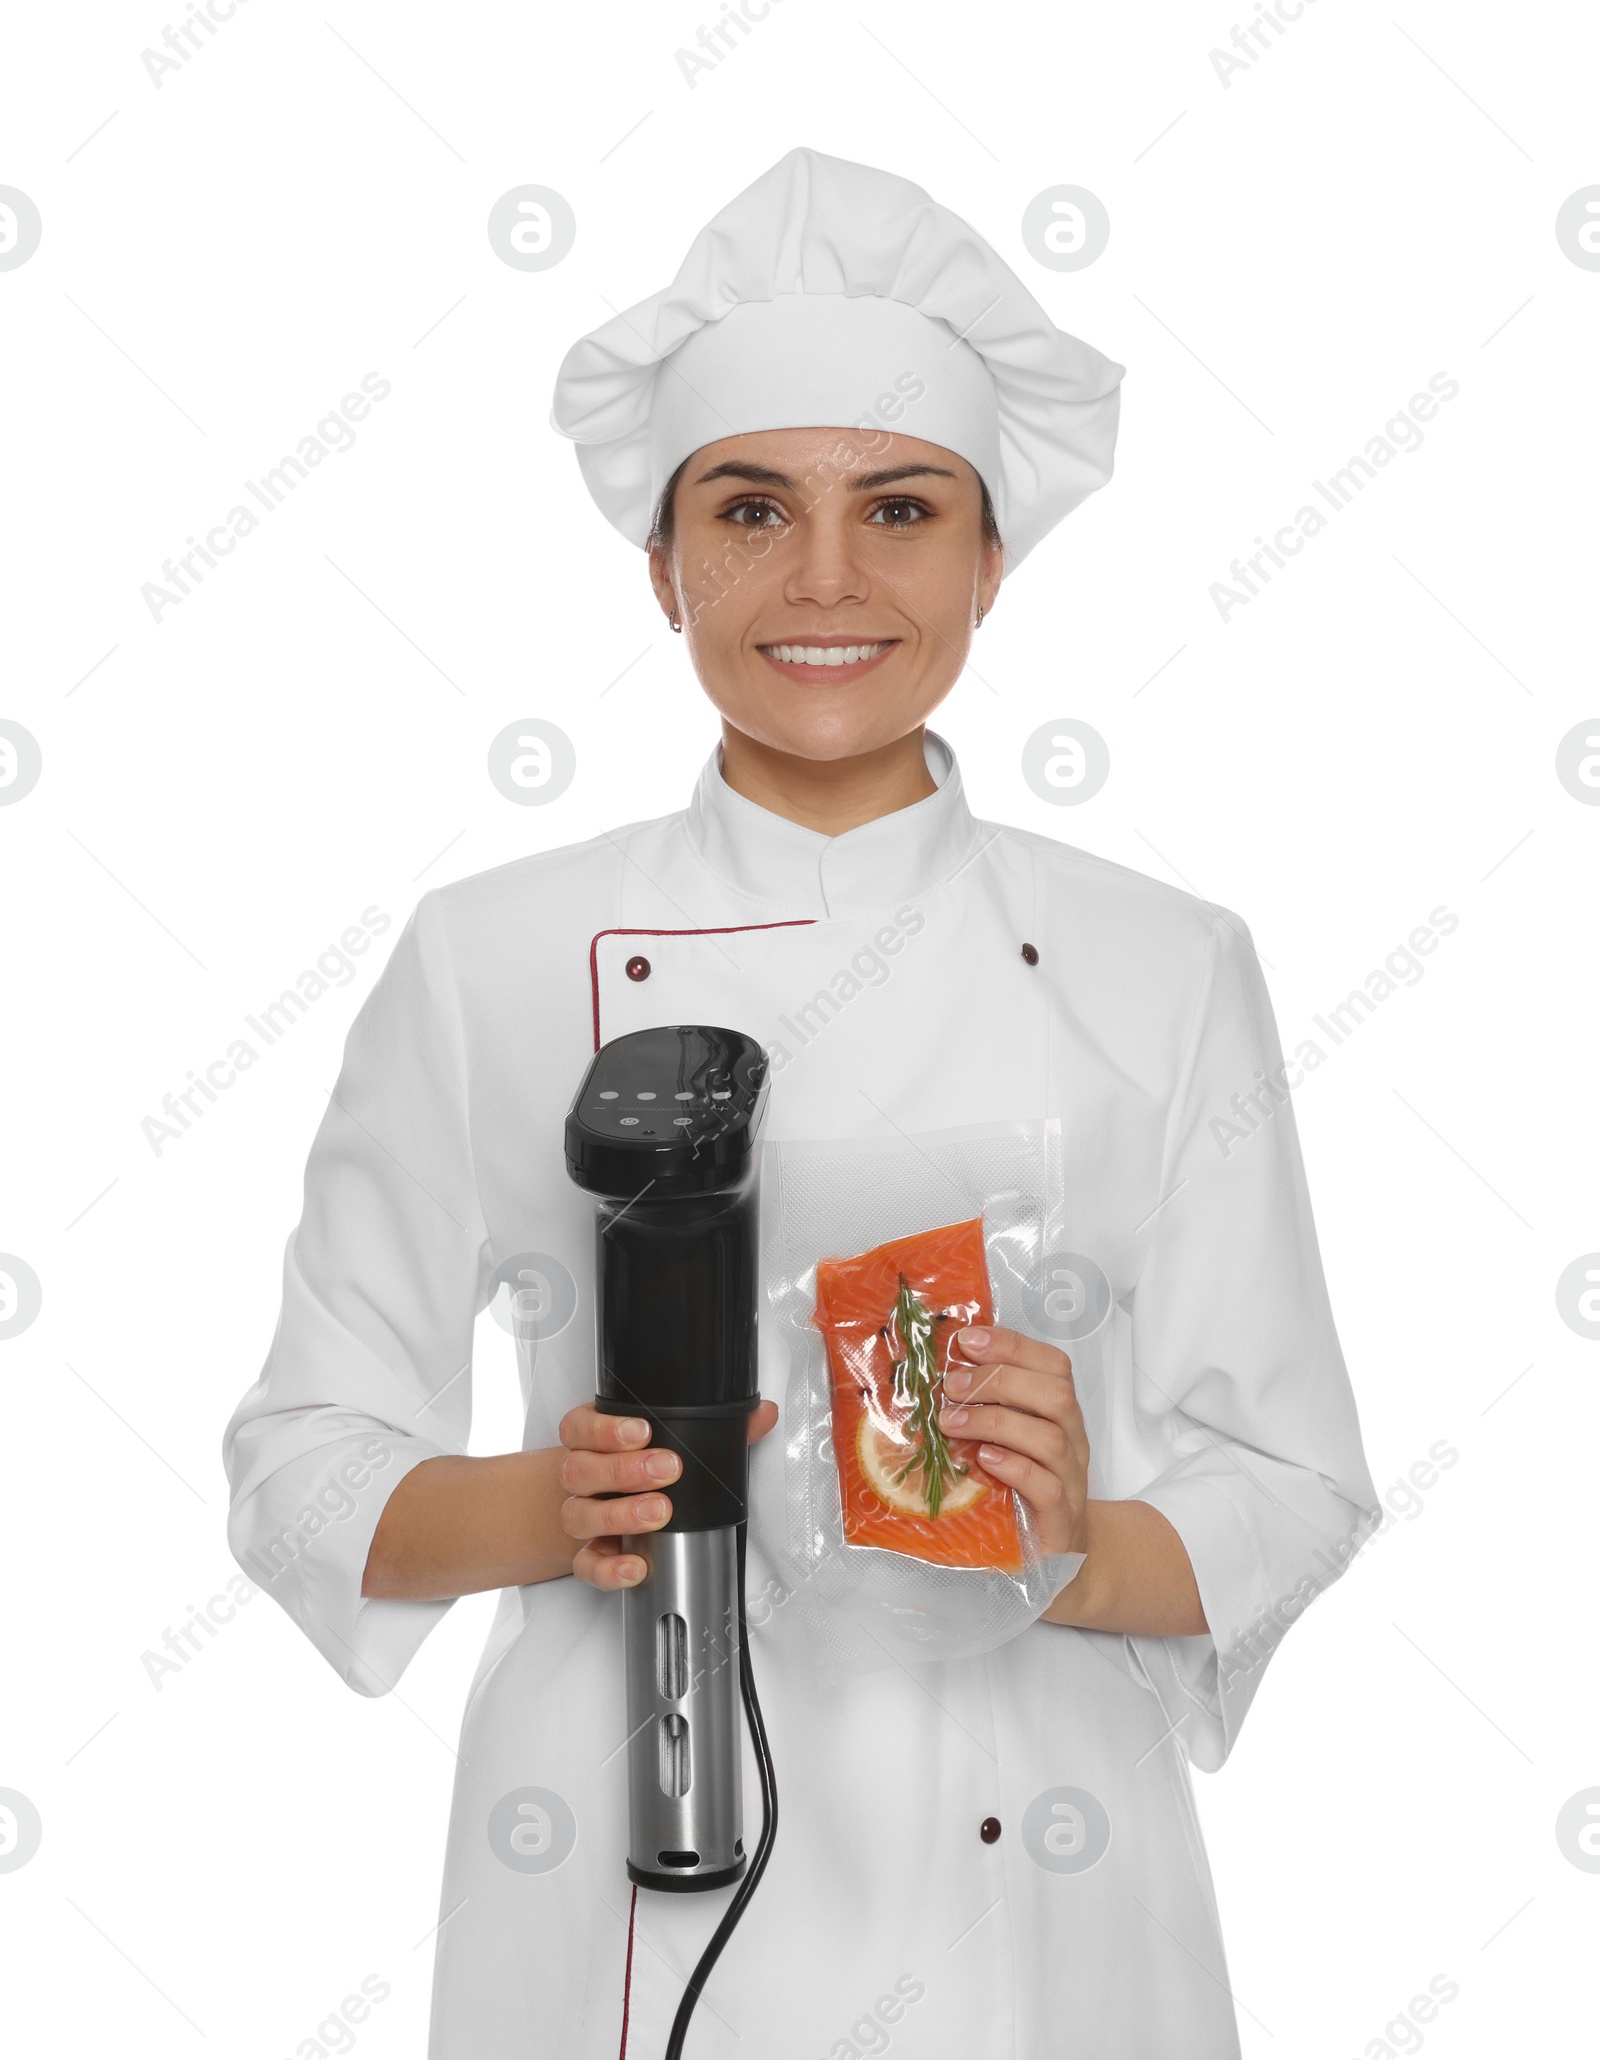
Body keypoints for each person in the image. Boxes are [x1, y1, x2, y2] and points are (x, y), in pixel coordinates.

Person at [224, 147, 1380, 2058]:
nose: (826, 582)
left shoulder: (1163, 963)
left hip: (1045, 1892)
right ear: (661, 562)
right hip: (625, 1873)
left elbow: (1297, 1480)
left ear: (992, 558)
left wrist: (1069, 1532)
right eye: (751, 511)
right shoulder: (494, 952)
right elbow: (299, 1465)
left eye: (902, 510)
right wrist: (553, 1503)